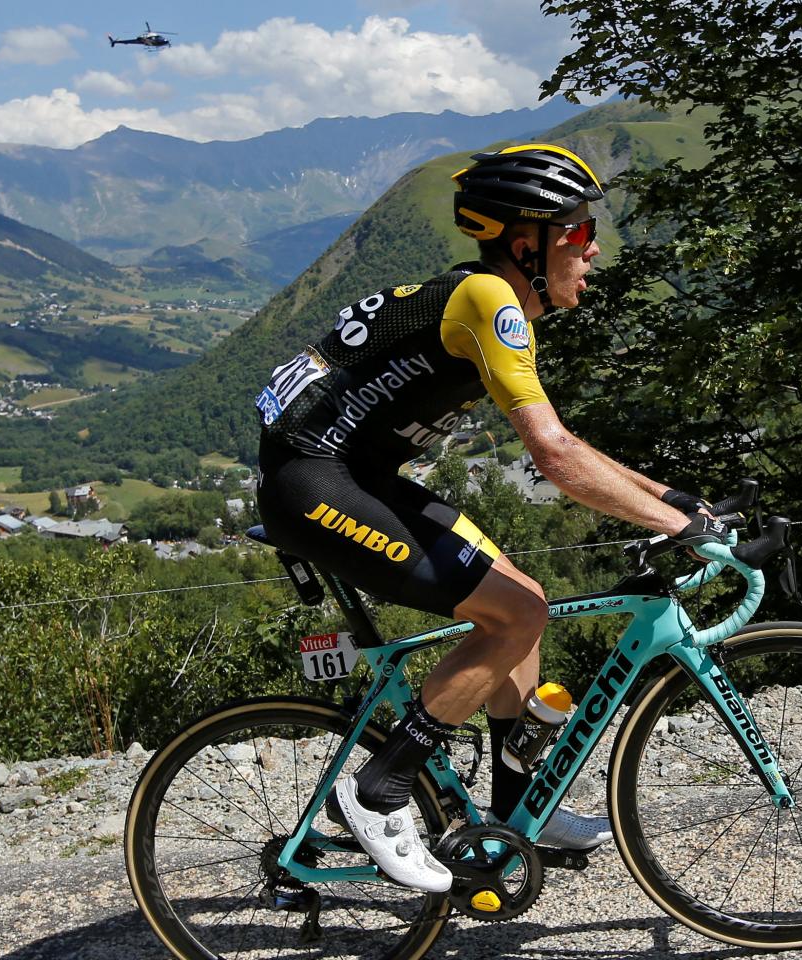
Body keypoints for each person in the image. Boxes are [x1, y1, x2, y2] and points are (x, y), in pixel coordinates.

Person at [251, 143, 725, 892]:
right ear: (523, 243)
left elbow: (569, 445)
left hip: (352, 476)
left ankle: (514, 813)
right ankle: (378, 792)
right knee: (515, 618)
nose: (593, 248)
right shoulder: (489, 302)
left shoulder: (483, 296)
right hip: (314, 485)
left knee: (521, 598)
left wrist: (670, 501)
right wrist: (679, 528)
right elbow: (555, 458)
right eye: (576, 232)